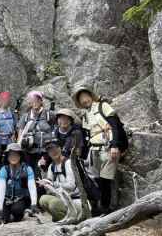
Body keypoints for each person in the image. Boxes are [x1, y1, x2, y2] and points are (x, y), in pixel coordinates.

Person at [72, 85, 121, 215]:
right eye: (81, 99)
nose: (84, 100)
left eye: (85, 96)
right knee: (98, 180)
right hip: (94, 150)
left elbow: (114, 124)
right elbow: (87, 135)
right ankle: (104, 206)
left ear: (90, 95)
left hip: (107, 147)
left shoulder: (103, 106)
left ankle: (105, 208)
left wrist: (115, 145)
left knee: (105, 179)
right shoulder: (86, 115)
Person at [38, 139, 81, 222]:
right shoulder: (51, 166)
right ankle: (61, 219)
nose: (53, 152)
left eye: (55, 148)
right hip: (63, 199)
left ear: (60, 148)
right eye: (50, 150)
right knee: (43, 199)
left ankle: (70, 222)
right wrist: (43, 171)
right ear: (48, 153)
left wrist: (52, 184)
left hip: (75, 200)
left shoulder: (68, 163)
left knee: (53, 204)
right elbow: (49, 189)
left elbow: (71, 186)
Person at [0, 143, 38, 223]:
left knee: (17, 210)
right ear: (7, 157)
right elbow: (1, 192)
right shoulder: (3, 170)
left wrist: (34, 204)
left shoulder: (27, 169)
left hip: (21, 199)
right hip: (7, 199)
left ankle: (21, 212)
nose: (13, 157)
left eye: (16, 154)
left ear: (20, 156)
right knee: (4, 218)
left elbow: (32, 188)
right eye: (11, 155)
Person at [18, 91, 55, 178]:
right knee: (30, 173)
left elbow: (57, 128)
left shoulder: (49, 115)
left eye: (37, 99)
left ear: (41, 101)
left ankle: (43, 190)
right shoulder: (25, 117)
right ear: (30, 102)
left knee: (42, 171)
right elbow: (20, 133)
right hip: (29, 151)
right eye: (33, 100)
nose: (35, 102)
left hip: (45, 150)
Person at [0, 91, 18, 158]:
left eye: (7, 99)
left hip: (10, 142)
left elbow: (16, 129)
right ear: (0, 101)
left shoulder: (13, 115)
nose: (6, 101)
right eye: (3, 99)